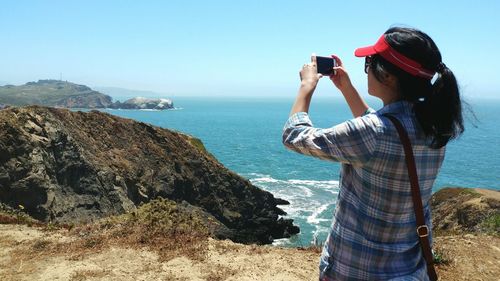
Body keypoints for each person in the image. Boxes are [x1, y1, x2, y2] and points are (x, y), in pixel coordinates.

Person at [282, 27, 464, 280]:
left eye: (369, 62)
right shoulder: (433, 127)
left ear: (388, 76)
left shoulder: (372, 134)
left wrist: (306, 86)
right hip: (408, 270)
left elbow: (294, 136)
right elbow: (385, 128)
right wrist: (346, 87)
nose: (366, 69)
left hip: (355, 270)